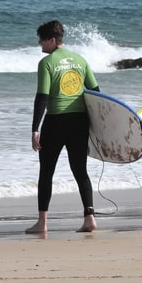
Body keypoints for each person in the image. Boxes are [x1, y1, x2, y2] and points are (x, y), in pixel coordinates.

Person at [26, 20, 99, 234]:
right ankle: (89, 217)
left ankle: (43, 223)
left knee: (46, 172)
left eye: (41, 39)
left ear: (52, 40)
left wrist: (35, 128)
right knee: (80, 171)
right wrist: (99, 126)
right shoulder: (80, 60)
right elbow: (96, 92)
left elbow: (42, 97)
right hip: (80, 122)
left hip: (56, 121)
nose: (39, 44)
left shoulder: (47, 63)